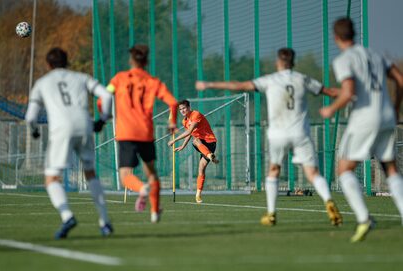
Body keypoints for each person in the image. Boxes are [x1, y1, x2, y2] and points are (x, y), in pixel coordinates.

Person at [196, 47, 343, 227]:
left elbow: (240, 85)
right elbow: (331, 92)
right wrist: (352, 94)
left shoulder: (271, 80)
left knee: (274, 171)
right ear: (293, 62)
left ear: (278, 62)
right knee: (312, 173)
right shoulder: (302, 79)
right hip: (300, 133)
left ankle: (271, 214)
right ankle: (328, 201)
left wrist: (210, 84)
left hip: (278, 134)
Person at [320, 17, 403, 242]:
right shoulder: (376, 55)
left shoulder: (344, 60)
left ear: (336, 37)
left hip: (365, 118)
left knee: (344, 168)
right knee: (391, 169)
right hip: (386, 115)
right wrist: (395, 108)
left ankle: (364, 218)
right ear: (354, 34)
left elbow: (348, 91)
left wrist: (331, 109)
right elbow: (400, 80)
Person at [25, 47, 114, 239]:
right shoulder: (81, 77)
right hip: (85, 124)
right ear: (67, 61)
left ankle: (67, 217)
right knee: (90, 173)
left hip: (61, 129)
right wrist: (102, 120)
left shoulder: (42, 82)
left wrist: (33, 131)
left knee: (51, 177)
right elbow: (107, 95)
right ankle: (105, 222)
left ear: (48, 65)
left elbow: (30, 116)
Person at [101, 44, 178, 223]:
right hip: (145, 133)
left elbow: (105, 96)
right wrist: (172, 121)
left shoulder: (119, 79)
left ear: (131, 60)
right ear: (147, 61)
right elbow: (173, 103)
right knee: (152, 173)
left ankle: (142, 189)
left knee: (126, 175)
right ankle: (155, 211)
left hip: (126, 133)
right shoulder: (154, 82)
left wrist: (104, 114)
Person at [167, 100, 219, 203]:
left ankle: (209, 155)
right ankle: (198, 195)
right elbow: (191, 134)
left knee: (197, 144)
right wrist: (182, 145)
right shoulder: (184, 121)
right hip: (201, 145)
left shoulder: (196, 114)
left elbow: (189, 131)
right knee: (200, 167)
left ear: (189, 107)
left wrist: (174, 140)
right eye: (180, 109)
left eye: (184, 108)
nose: (182, 111)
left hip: (210, 142)